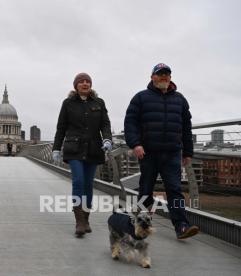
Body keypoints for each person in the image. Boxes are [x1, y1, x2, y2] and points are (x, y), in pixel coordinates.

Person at [124, 63, 199, 240]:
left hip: (172, 153)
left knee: (175, 190)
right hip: (148, 152)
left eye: (167, 74)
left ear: (170, 78)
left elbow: (186, 128)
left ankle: (181, 226)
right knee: (146, 189)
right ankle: (141, 224)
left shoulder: (180, 99)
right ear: (152, 77)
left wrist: (188, 152)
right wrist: (135, 144)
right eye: (160, 74)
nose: (164, 77)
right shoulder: (140, 98)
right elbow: (130, 123)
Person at [52, 72, 112, 237]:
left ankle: (86, 218)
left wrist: (107, 139)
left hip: (93, 148)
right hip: (74, 149)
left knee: (88, 185)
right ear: (76, 85)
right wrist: (56, 148)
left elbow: (105, 124)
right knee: (78, 182)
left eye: (88, 82)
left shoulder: (99, 103)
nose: (85, 84)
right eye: (81, 82)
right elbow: (61, 127)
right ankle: (79, 221)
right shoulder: (68, 103)